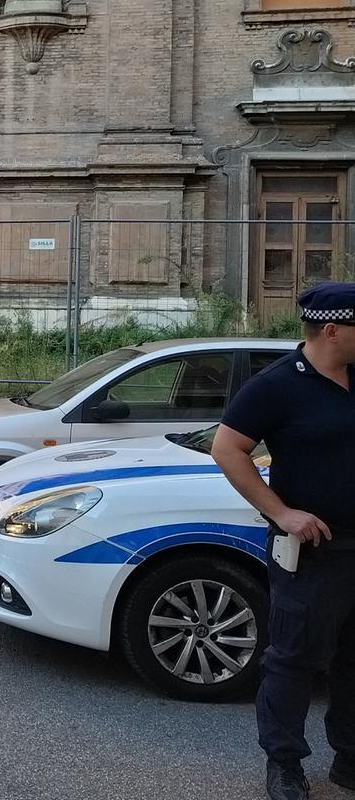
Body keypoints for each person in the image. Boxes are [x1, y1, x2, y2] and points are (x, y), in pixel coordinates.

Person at [212, 281, 355, 800]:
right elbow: (227, 449)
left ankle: (350, 760)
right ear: (333, 329)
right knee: (293, 660)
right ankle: (285, 765)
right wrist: (282, 512)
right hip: (313, 553)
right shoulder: (277, 385)